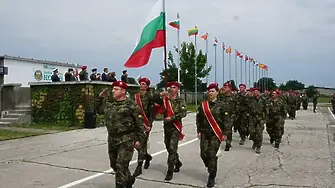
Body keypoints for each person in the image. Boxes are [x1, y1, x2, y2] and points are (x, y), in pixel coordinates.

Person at [97, 81, 145, 188]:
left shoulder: (131, 105)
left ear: (123, 91)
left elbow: (140, 124)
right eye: (113, 89)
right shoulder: (110, 104)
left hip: (127, 139)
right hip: (112, 138)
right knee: (114, 165)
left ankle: (120, 185)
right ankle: (128, 181)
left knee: (121, 166)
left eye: (116, 89)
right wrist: (100, 98)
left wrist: (139, 140)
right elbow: (99, 110)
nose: (113, 91)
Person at [196, 82, 228, 187]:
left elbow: (227, 120)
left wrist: (225, 133)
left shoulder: (222, 105)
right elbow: (199, 118)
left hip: (216, 133)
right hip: (205, 132)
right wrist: (199, 130)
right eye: (209, 91)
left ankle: (212, 175)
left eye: (213, 91)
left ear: (217, 92)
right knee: (203, 154)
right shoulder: (203, 105)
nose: (210, 93)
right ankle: (210, 165)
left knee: (211, 154)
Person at [159, 81, 187, 181]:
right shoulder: (166, 99)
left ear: (177, 89)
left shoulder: (180, 100)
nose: (172, 89)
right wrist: (161, 95)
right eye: (170, 87)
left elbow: (184, 113)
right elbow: (155, 101)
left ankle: (170, 171)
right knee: (168, 147)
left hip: (175, 127)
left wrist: (172, 118)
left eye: (174, 87)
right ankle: (178, 162)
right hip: (167, 127)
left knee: (172, 148)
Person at [132, 77, 159, 177]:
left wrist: (149, 125)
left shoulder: (150, 97)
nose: (142, 85)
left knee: (142, 144)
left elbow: (151, 113)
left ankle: (139, 166)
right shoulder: (135, 97)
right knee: (135, 144)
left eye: (144, 84)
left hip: (145, 123)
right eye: (141, 84)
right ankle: (147, 157)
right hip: (136, 123)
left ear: (147, 86)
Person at [249, 88, 268, 154]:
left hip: (260, 118)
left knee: (259, 132)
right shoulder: (250, 100)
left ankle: (258, 146)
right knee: (252, 132)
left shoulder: (263, 100)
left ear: (259, 92)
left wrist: (265, 119)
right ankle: (255, 141)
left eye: (256, 91)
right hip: (252, 118)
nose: (255, 92)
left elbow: (266, 110)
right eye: (254, 91)